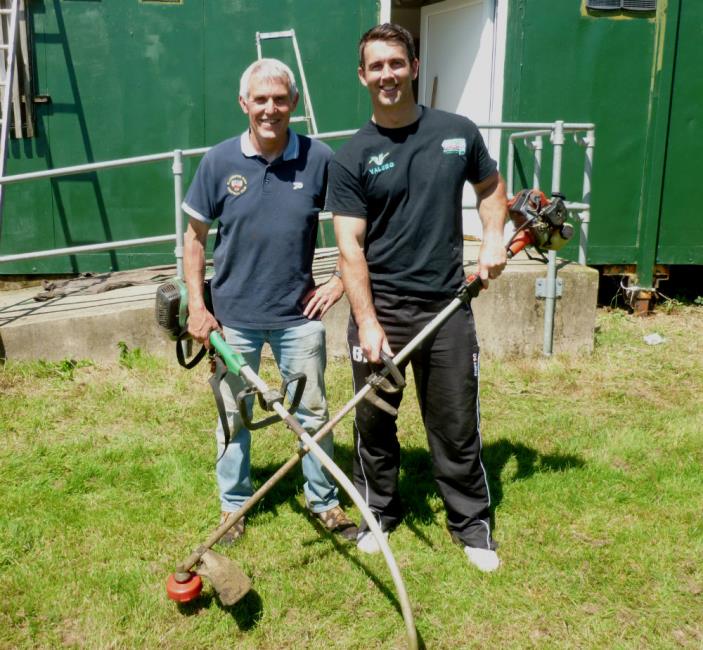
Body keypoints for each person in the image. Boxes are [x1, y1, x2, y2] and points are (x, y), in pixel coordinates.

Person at [325, 24, 508, 571]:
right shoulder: (353, 156)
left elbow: (491, 188)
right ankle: (378, 511)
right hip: (381, 312)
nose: (387, 74)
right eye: (376, 66)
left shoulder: (457, 132)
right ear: (362, 76)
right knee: (374, 422)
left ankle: (470, 523)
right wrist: (368, 320)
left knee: (455, 420)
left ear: (412, 65)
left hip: (448, 306)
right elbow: (350, 249)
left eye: (396, 63)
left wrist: (493, 236)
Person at [182, 58, 357, 544]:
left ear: (293, 104)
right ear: (244, 104)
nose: (270, 109)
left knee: (314, 415)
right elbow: (194, 239)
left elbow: (354, 226)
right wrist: (198, 307)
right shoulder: (218, 162)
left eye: (279, 99)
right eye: (260, 99)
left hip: (297, 318)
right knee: (231, 415)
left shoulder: (319, 159)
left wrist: (339, 282)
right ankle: (233, 506)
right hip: (231, 319)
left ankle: (324, 502)